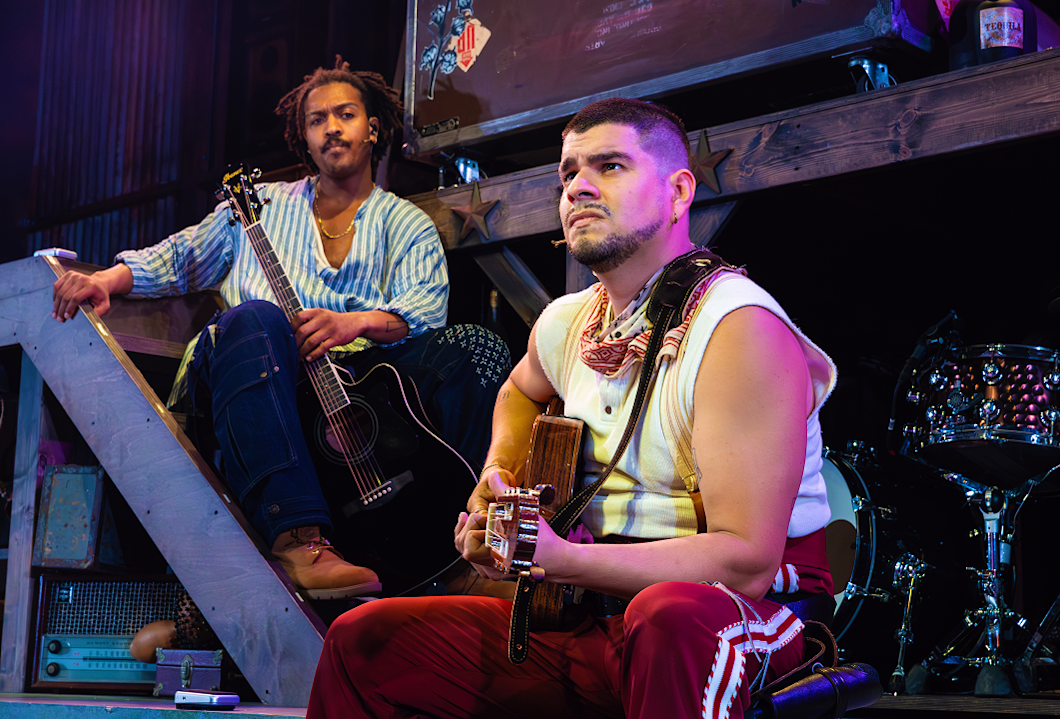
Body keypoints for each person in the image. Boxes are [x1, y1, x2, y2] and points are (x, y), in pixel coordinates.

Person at [305, 97, 838, 718]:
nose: (579, 186)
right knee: (363, 641)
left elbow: (745, 561)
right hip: (587, 616)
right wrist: (493, 489)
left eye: (609, 166)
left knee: (668, 619)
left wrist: (563, 558)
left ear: (678, 191)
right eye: (568, 173)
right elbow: (520, 391)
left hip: (745, 617)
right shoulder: (566, 322)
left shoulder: (737, 327)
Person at [50, 58, 510, 600]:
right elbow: (181, 256)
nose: (332, 127)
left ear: (374, 127)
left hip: (352, 386)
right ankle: (299, 540)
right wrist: (107, 278)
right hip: (250, 377)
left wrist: (353, 322)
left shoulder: (404, 222)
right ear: (304, 137)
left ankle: (469, 537)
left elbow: (426, 313)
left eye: (345, 114)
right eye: (318, 119)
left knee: (477, 347)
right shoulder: (257, 206)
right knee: (259, 317)